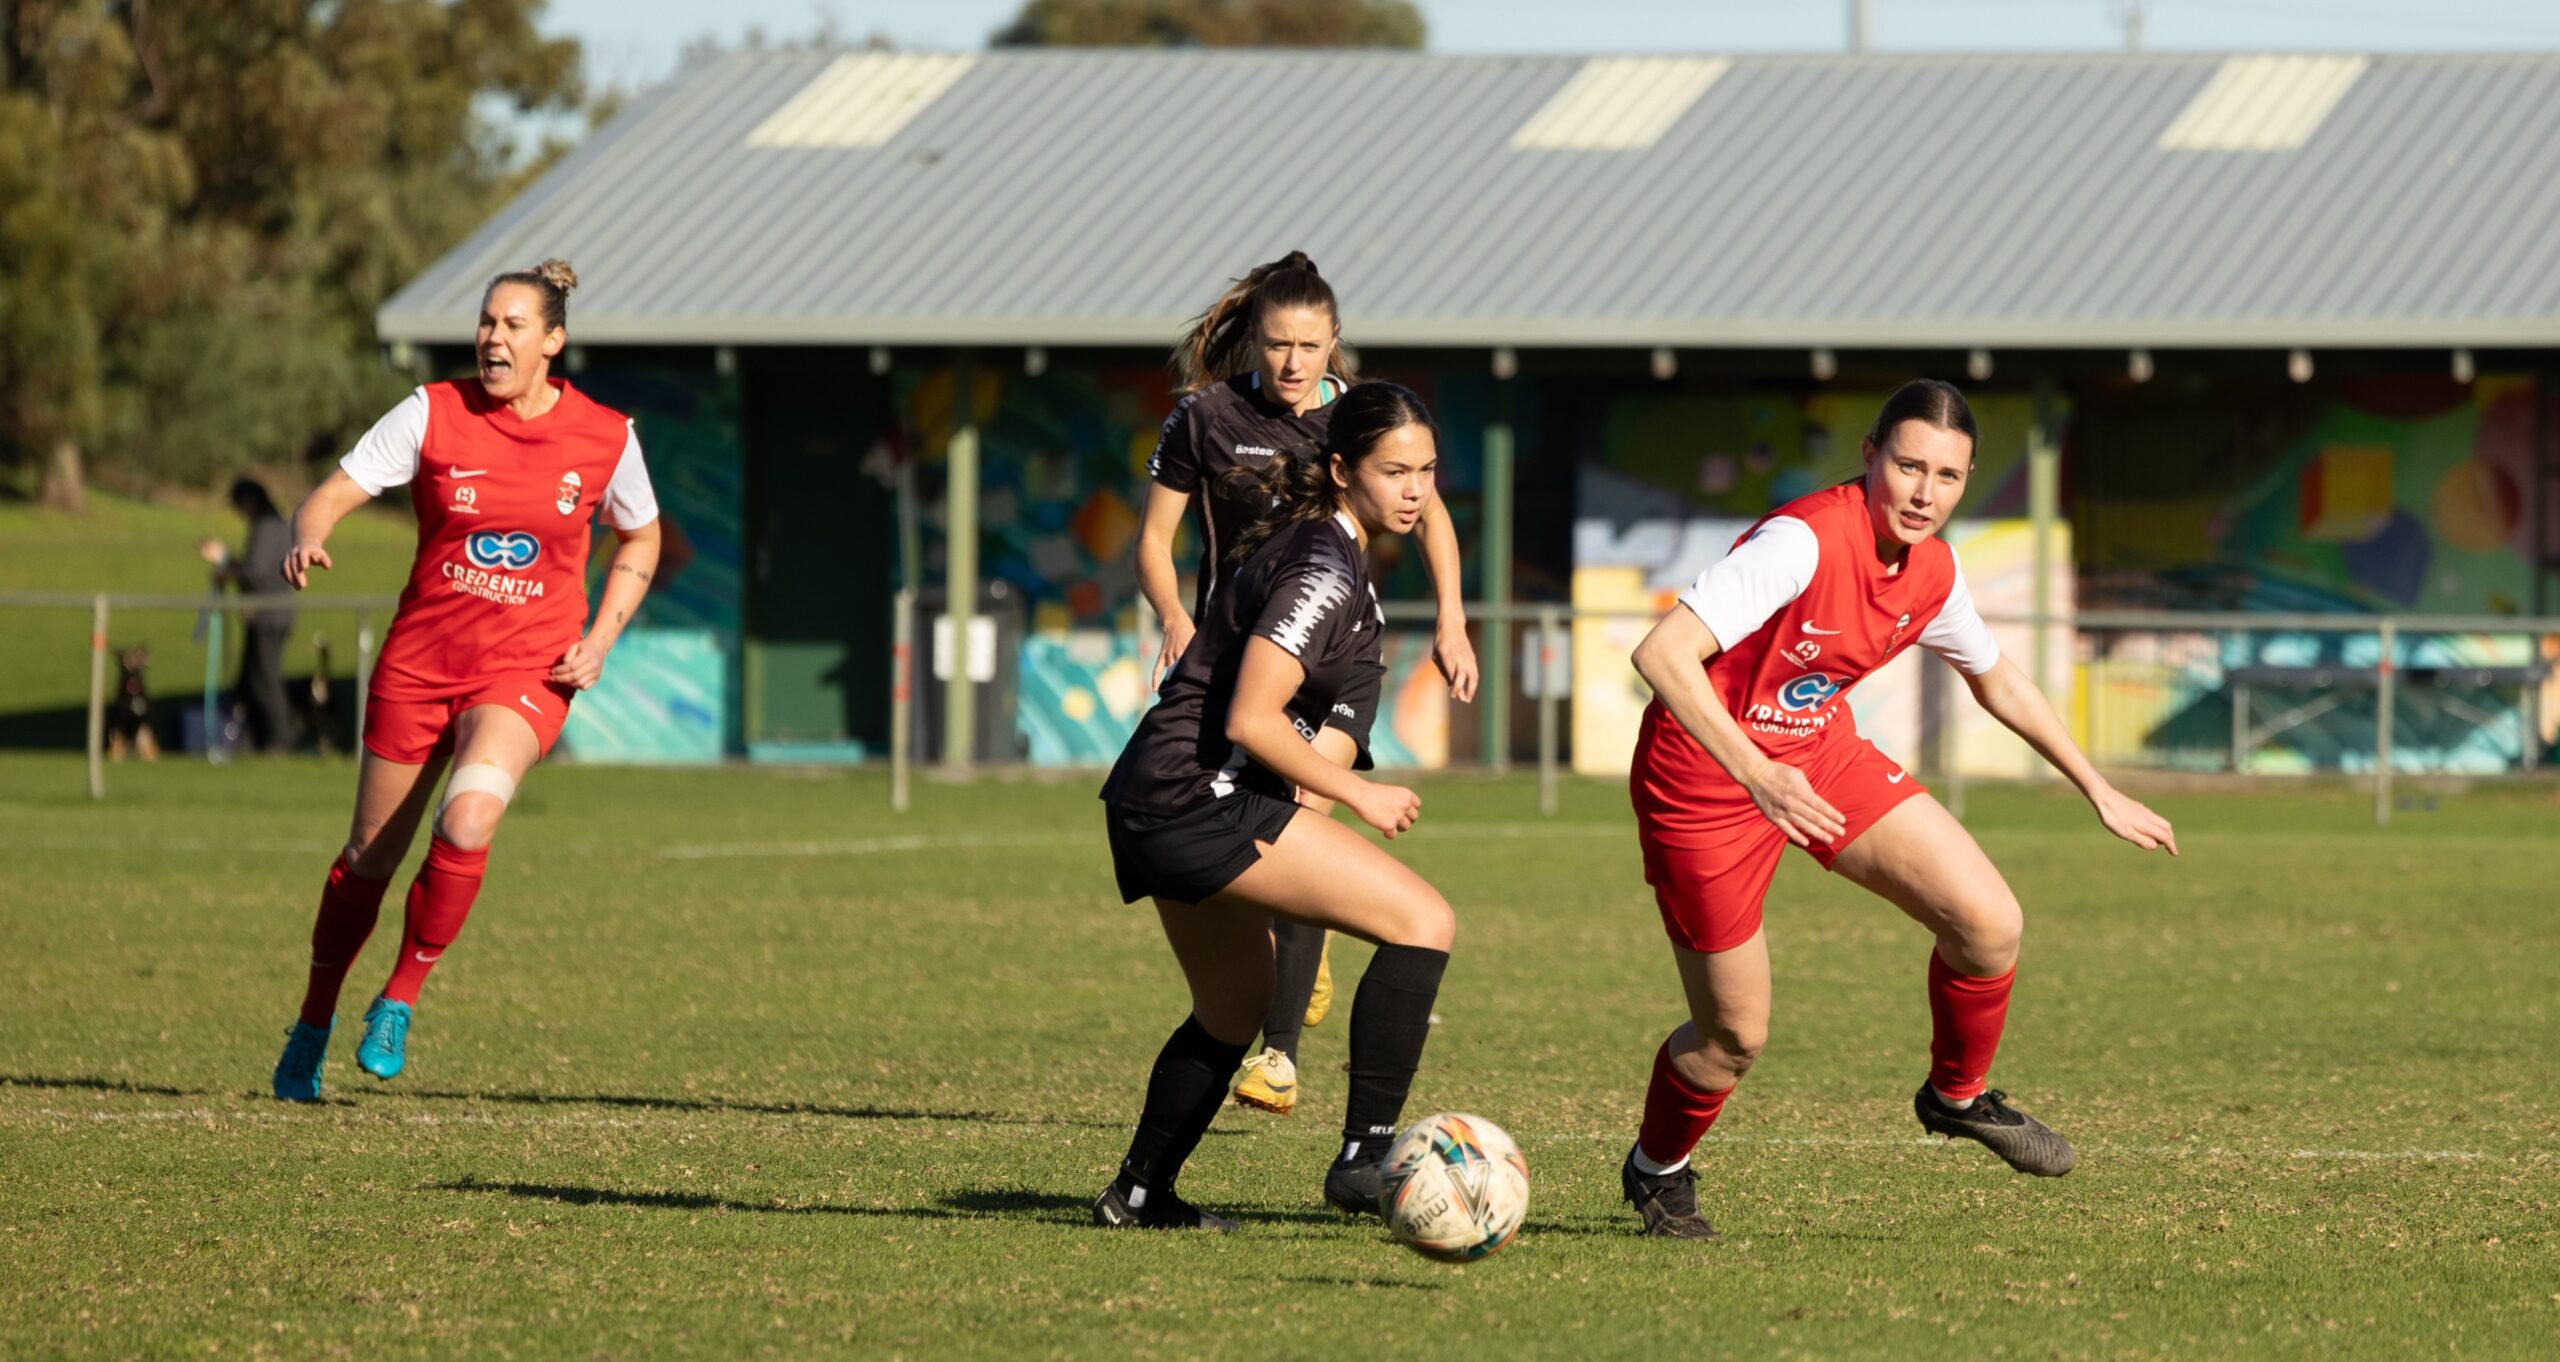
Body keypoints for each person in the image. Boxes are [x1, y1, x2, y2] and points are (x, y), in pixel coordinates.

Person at [1617, 379, 2178, 1238]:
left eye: (1948, 476)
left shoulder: (1935, 571)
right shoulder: (1799, 543)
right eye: (1908, 466)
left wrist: (2096, 785)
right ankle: (1658, 1169)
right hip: (1701, 778)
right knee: (1733, 1037)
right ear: (1870, 456)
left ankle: (1956, 1096)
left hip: (1816, 754)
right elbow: (1662, 653)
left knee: (1989, 922)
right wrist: (1756, 772)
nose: (1925, 493)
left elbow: (1997, 678)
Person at [267, 259, 661, 1101]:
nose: (493, 338)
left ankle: (400, 998)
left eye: (514, 325)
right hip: (419, 666)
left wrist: (600, 640)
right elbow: (332, 492)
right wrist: (309, 532)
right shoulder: (431, 412)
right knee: (369, 861)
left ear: (552, 341)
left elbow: (642, 539)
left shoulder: (606, 436)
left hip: (528, 668)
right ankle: (312, 1020)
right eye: (486, 322)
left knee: (472, 815)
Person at [1095, 382, 1457, 1230]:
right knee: (1423, 920)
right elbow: (1252, 718)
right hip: (1198, 793)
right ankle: (1365, 1159)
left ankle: (1137, 1194)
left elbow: (1312, 730)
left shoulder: (1333, 564)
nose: (1414, 490)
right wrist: (1360, 793)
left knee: (1234, 1006)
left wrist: (1333, 784)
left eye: (1428, 472)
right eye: (1394, 470)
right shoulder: (1324, 570)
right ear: (1341, 470)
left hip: (1153, 795)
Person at [1135, 251, 1479, 1119]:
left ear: (1335, 341)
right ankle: (1294, 963)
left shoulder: (1352, 419)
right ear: (1254, 336)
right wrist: (1175, 615)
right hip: (1243, 656)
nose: (1296, 363)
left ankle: (1280, 1057)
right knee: (1272, 828)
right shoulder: (1204, 419)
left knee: (1302, 808)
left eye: (1313, 345)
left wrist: (1451, 618)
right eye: (1280, 344)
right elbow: (1154, 542)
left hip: (1330, 664)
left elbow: (1429, 504)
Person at [201, 477, 298, 752]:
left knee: (266, 679)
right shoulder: (269, 524)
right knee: (250, 680)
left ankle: (280, 741)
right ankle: (253, 738)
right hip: (265, 615)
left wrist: (225, 564)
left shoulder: (268, 526)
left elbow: (257, 572)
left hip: (270, 617)